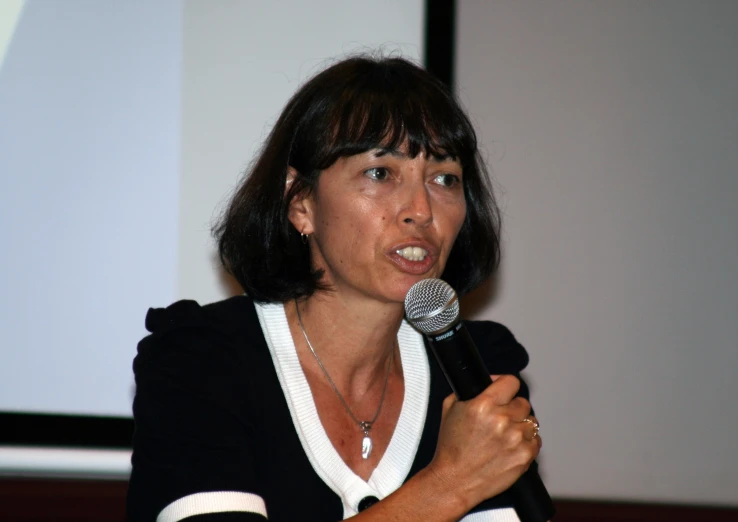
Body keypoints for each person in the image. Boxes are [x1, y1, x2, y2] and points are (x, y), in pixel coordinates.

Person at [127, 55, 542, 522]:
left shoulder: (477, 371)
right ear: (300, 202)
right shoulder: (203, 358)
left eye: (444, 178)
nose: (421, 210)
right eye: (380, 173)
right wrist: (449, 484)